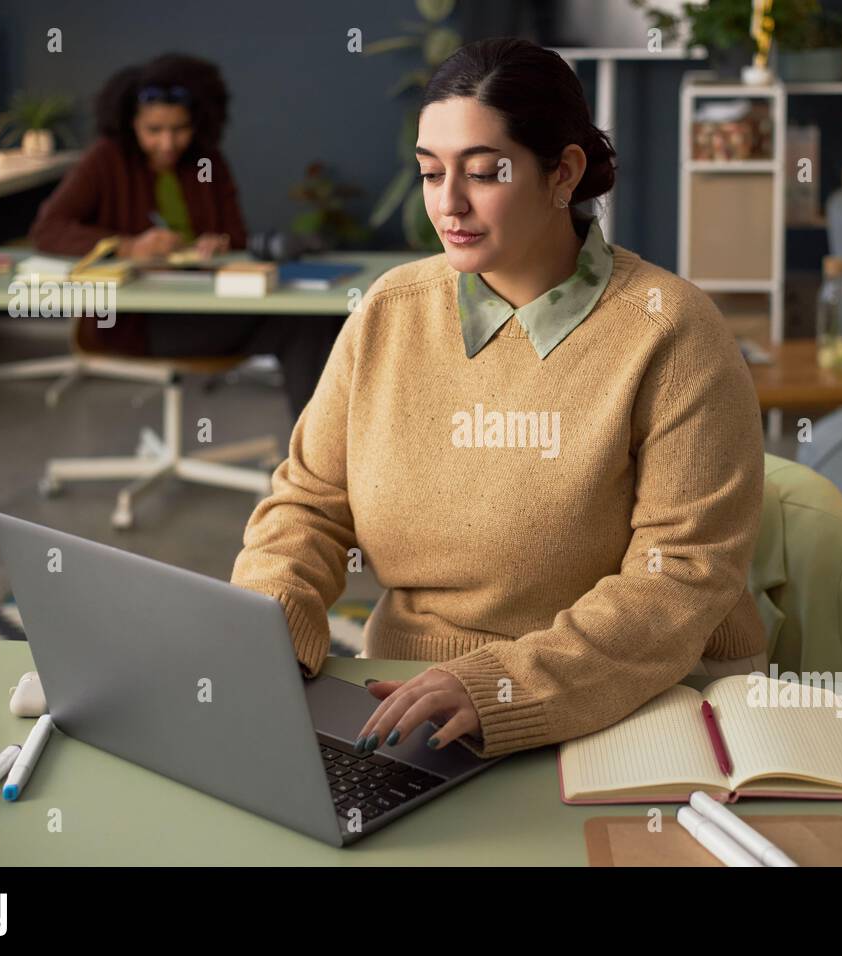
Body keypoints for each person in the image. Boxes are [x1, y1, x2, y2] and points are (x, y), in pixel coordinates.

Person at [229, 38, 767, 761]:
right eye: (429, 173)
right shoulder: (391, 309)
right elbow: (309, 504)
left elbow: (678, 581)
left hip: (634, 700)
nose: (448, 204)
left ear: (563, 173)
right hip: (405, 702)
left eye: (484, 173)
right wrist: (269, 630)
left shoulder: (671, 331)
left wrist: (500, 688)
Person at [29, 52, 342, 421]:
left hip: (210, 303)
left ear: (199, 122)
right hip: (136, 323)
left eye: (179, 129)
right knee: (303, 322)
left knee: (312, 321)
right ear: (130, 123)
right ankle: (315, 467)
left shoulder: (208, 161)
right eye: (154, 130)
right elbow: (47, 229)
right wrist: (129, 246)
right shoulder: (106, 160)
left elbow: (235, 237)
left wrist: (219, 243)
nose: (168, 143)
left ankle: (316, 462)